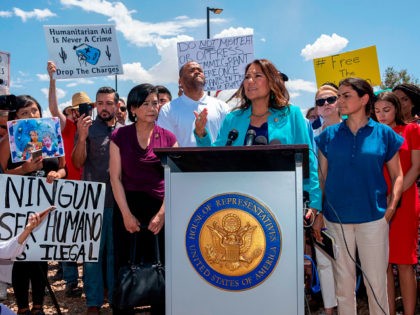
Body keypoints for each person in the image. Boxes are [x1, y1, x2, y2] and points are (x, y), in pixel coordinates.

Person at [315, 78, 404, 315]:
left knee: (376, 284)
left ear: (364, 99)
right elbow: (321, 178)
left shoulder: (384, 134)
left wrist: (391, 209)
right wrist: (319, 212)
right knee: (343, 286)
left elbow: (398, 175)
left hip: (374, 219)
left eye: (346, 96)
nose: (339, 101)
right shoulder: (328, 136)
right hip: (336, 221)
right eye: (339, 96)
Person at [194, 58, 322, 216]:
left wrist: (313, 201)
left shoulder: (291, 114)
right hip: (239, 202)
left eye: (257, 76)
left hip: (283, 201)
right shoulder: (233, 118)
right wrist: (201, 134)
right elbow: (216, 157)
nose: (250, 81)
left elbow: (308, 160)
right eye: (247, 77)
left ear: (272, 82)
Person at [110, 83, 177, 314]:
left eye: (156, 102)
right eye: (146, 103)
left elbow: (174, 182)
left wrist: (162, 215)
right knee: (126, 266)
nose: (152, 107)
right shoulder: (119, 135)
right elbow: (115, 178)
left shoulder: (169, 138)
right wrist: (126, 215)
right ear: (133, 108)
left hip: (160, 211)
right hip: (127, 209)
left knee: (160, 267)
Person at [0, 95, 67, 315]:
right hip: (17, 207)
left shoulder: (53, 135)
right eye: (24, 113)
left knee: (40, 256)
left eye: (34, 111)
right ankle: (22, 307)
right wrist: (24, 170)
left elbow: (63, 168)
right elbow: (2, 174)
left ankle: (38, 305)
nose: (31, 116)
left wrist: (58, 173)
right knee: (20, 257)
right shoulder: (8, 142)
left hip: (44, 204)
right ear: (15, 116)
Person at [72, 86, 121, 315]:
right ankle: (93, 302)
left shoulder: (125, 131)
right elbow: (78, 162)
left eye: (109, 103)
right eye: (100, 103)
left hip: (120, 203)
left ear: (117, 105)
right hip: (92, 203)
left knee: (114, 255)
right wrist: (81, 138)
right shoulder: (87, 129)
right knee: (92, 255)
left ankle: (115, 297)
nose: (104, 107)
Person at [373, 91, 420, 315]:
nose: (381, 115)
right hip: (377, 203)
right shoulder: (372, 135)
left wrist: (396, 195)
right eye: (377, 111)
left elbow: (416, 167)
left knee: (404, 262)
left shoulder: (412, 130)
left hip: (406, 200)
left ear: (396, 109)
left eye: (387, 110)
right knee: (382, 264)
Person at [48, 61, 86, 297]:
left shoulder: (100, 127)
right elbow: (53, 109)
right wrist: (52, 80)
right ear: (71, 112)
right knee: (70, 236)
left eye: (85, 107)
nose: (80, 111)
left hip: (95, 189)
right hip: (71, 188)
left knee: (90, 237)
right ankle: (71, 280)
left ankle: (92, 281)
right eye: (77, 108)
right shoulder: (68, 127)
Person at [310, 84, 342, 315]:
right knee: (324, 258)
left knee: (346, 262)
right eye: (320, 102)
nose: (326, 105)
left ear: (340, 101)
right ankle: (329, 308)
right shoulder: (311, 135)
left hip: (349, 207)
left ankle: (347, 305)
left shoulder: (354, 129)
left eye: (330, 99)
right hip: (321, 205)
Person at [158, 61, 229, 147]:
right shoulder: (167, 109)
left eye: (200, 70)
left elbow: (228, 139)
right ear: (180, 81)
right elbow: (166, 143)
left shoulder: (222, 107)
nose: (197, 72)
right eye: (191, 70)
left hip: (217, 159)